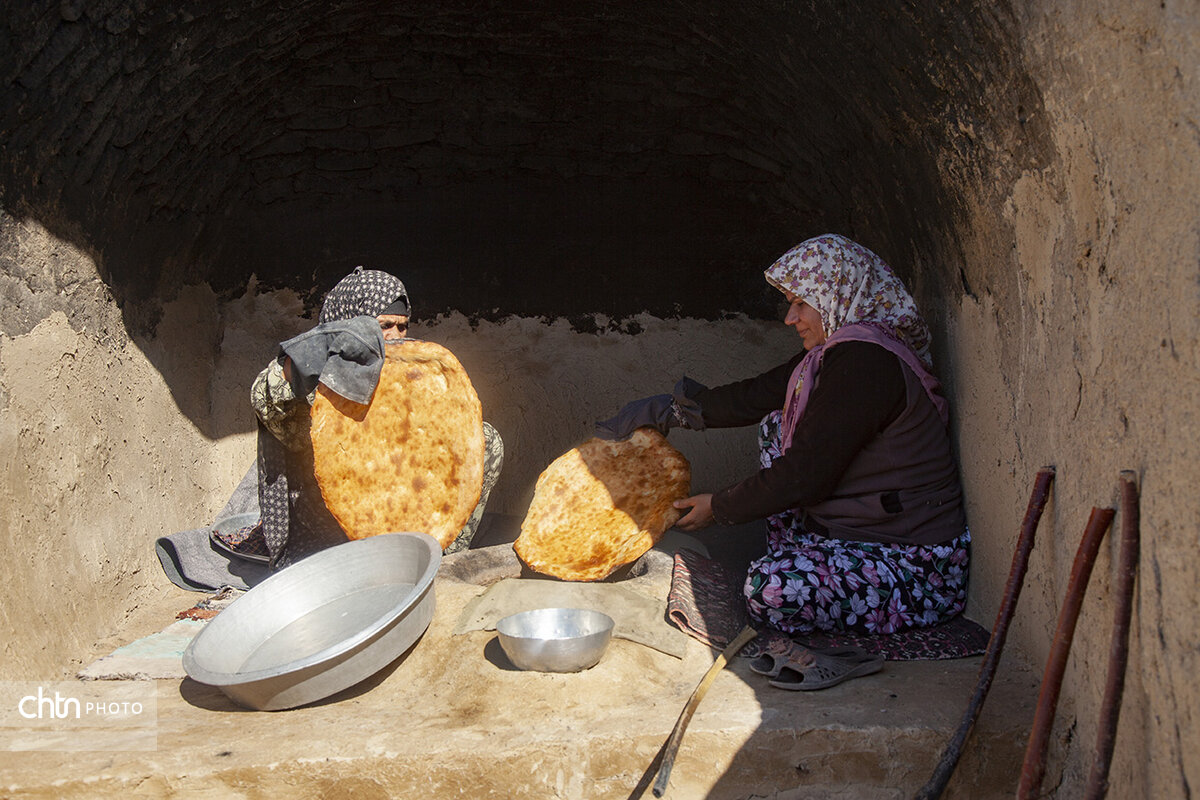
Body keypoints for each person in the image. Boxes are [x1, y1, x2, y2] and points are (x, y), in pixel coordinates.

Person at [597, 234, 968, 638]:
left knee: (770, 589)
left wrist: (718, 507)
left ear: (838, 294)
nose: (791, 319)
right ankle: (803, 558)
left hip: (912, 562)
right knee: (778, 421)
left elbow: (806, 473)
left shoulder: (866, 362)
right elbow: (758, 395)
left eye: (800, 304)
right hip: (856, 534)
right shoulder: (835, 353)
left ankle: (803, 577)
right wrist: (670, 412)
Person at [250, 266, 503, 568]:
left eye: (403, 326)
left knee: (484, 439)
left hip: (401, 502)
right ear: (349, 326)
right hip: (331, 520)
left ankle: (442, 554)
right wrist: (326, 347)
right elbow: (264, 397)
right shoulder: (315, 380)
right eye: (383, 326)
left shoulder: (407, 379)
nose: (395, 337)